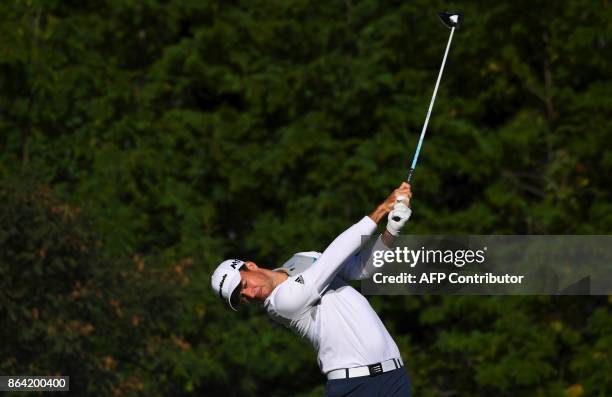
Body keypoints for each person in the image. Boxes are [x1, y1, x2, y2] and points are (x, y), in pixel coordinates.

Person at [211, 182, 413, 396]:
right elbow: (334, 256)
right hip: (353, 386)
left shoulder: (303, 259)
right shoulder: (281, 304)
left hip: (395, 376)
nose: (250, 294)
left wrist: (391, 230)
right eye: (242, 298)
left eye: (244, 285)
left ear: (250, 266)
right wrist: (382, 208)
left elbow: (360, 270)